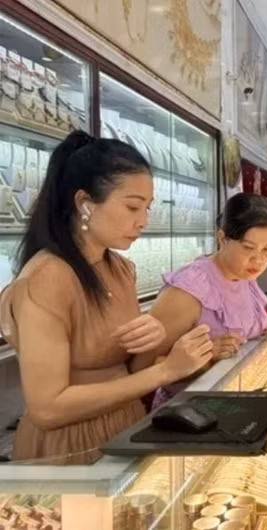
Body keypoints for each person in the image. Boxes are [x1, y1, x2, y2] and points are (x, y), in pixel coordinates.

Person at [0, 131, 212, 464]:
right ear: (85, 203)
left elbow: (128, 370)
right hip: (67, 449)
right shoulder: (47, 279)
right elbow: (47, 407)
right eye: (132, 207)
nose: (143, 221)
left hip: (123, 430)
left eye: (147, 208)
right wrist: (164, 372)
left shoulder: (121, 269)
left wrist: (153, 341)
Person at [143, 193, 267, 409]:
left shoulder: (244, 275)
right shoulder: (188, 290)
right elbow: (142, 368)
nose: (259, 259)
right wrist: (207, 356)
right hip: (187, 413)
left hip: (234, 402)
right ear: (223, 238)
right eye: (248, 248)